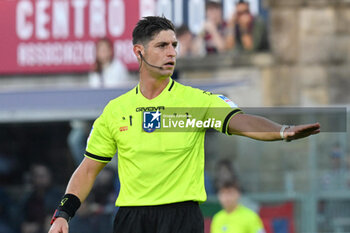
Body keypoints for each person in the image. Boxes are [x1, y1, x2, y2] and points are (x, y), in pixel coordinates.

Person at [48, 16, 320, 233]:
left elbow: (240, 121)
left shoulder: (195, 101)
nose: (171, 52)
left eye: (174, 45)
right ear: (138, 52)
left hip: (180, 218)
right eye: (162, 46)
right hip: (131, 218)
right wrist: (63, 214)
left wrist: (281, 131)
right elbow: (87, 170)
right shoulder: (115, 111)